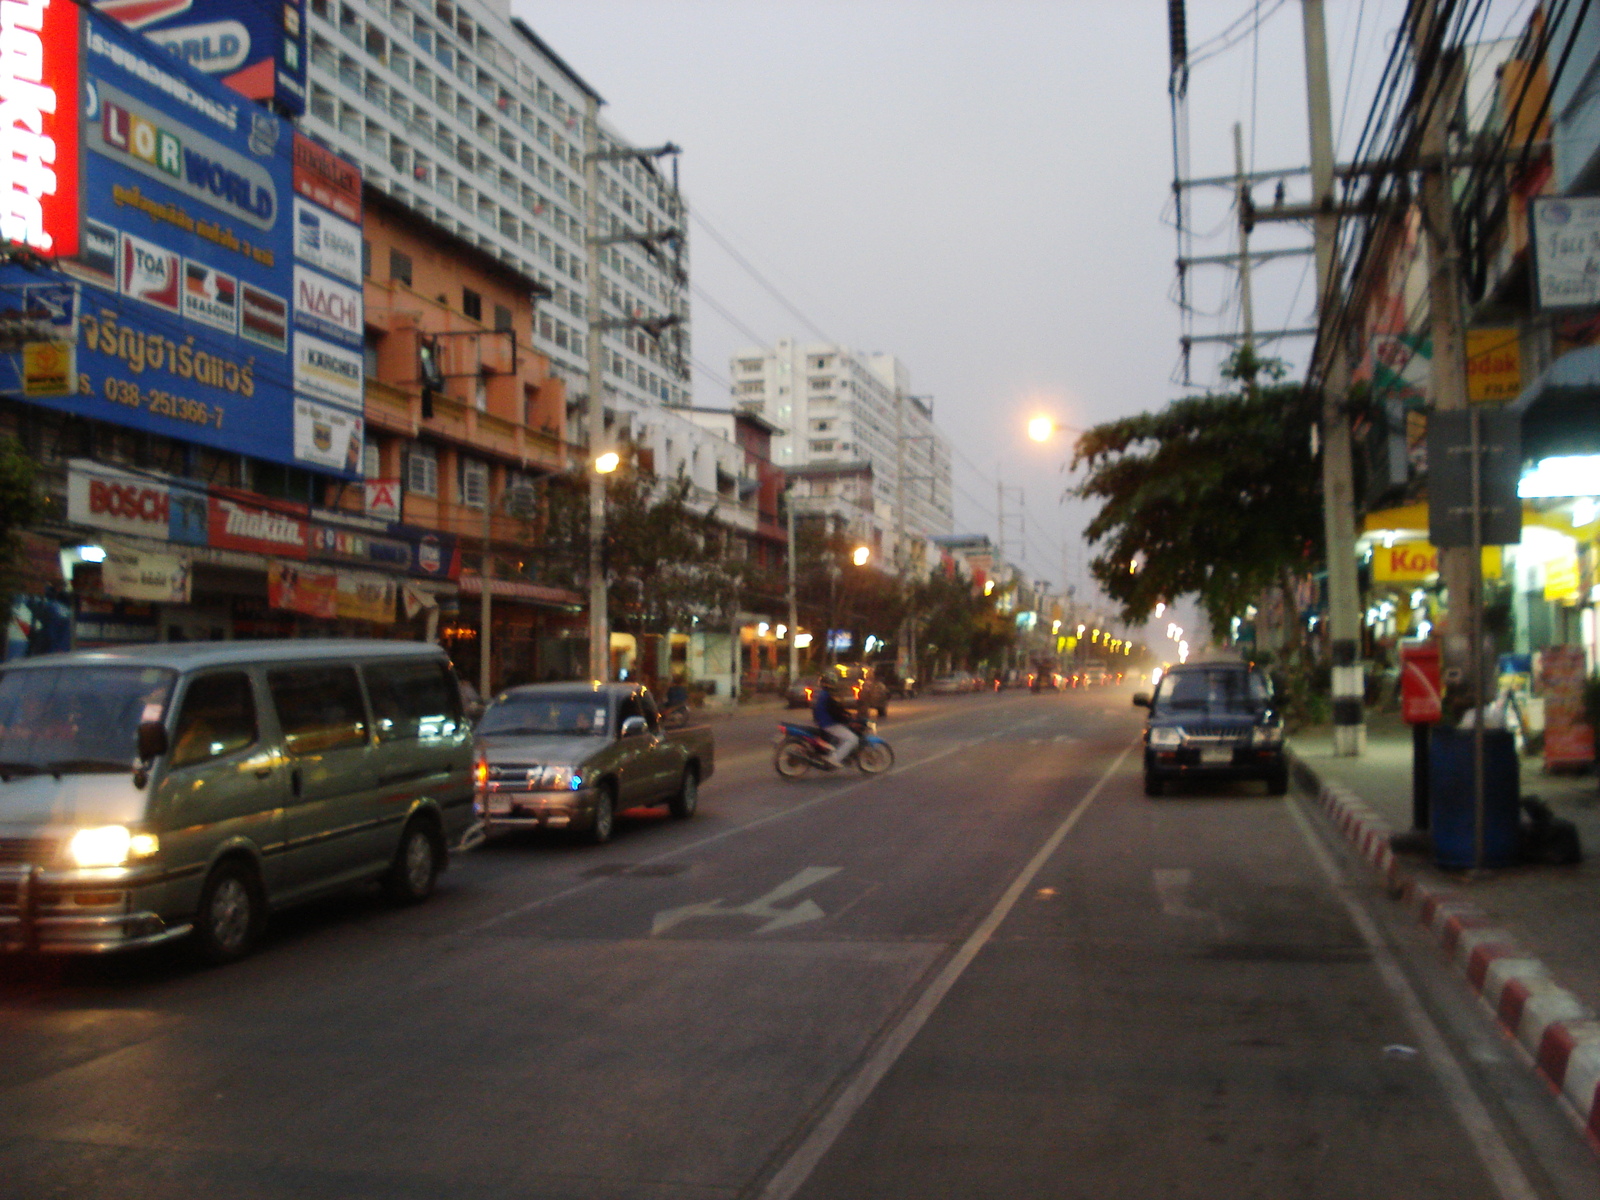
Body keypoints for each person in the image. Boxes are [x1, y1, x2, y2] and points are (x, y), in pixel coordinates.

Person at [811, 674, 857, 770]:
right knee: (852, 739)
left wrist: (846, 713)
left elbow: (835, 708)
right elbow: (835, 711)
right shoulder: (827, 696)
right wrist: (846, 717)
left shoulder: (820, 694)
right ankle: (834, 759)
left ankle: (834, 752)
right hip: (828, 723)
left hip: (822, 722)